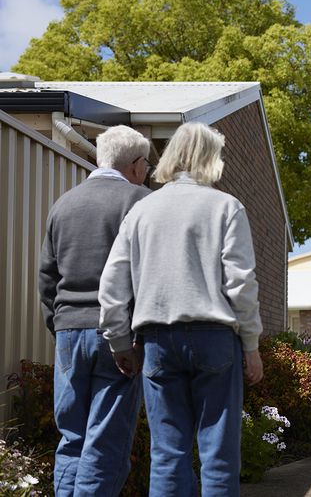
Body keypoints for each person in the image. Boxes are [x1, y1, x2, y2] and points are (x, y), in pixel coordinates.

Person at [98, 122, 264, 496]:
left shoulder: (142, 210)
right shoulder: (226, 207)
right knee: (218, 456)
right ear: (211, 159)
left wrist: (119, 343)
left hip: (156, 340)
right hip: (215, 339)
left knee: (168, 454)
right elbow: (241, 284)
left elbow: (112, 285)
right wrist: (251, 345)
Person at [39, 125, 152, 496]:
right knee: (106, 442)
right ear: (135, 165)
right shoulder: (139, 201)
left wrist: (60, 329)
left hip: (69, 331)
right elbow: (146, 274)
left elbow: (47, 278)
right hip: (117, 336)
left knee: (72, 437)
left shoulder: (64, 203)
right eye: (146, 165)